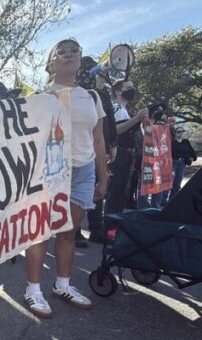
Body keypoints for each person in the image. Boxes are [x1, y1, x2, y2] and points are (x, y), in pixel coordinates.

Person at [22, 39, 107, 319]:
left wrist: (102, 176)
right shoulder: (40, 97)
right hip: (51, 172)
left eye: (74, 52)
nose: (68, 56)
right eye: (61, 52)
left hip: (83, 172)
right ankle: (33, 290)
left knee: (69, 231)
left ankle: (63, 285)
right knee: (41, 232)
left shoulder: (92, 97)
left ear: (80, 60)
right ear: (51, 63)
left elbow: (98, 139)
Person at [75, 56, 117, 246]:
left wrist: (111, 145)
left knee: (98, 188)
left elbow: (108, 124)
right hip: (79, 150)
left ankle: (96, 228)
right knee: (77, 192)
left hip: (99, 149)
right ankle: (74, 230)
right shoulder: (75, 95)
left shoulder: (100, 96)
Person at [104, 79, 148, 217]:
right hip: (120, 153)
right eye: (128, 87)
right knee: (116, 191)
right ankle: (110, 224)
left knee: (123, 191)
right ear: (118, 91)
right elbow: (115, 130)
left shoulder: (123, 110)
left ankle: (114, 222)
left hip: (127, 154)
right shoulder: (116, 107)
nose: (132, 90)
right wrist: (136, 118)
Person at [165, 126, 196, 203]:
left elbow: (192, 152)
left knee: (177, 182)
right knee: (169, 182)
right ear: (175, 133)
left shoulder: (186, 141)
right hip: (173, 162)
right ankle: (163, 201)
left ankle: (172, 200)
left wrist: (192, 157)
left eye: (182, 131)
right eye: (178, 131)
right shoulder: (172, 142)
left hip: (182, 163)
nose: (181, 133)